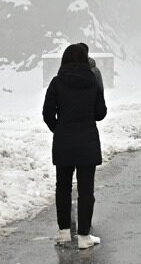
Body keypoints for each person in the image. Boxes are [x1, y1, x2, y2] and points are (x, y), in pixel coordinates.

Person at [43, 43, 108, 249]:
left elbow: (47, 113)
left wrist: (59, 129)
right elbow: (100, 113)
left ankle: (63, 233)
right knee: (86, 191)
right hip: (87, 143)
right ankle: (83, 237)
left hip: (63, 143)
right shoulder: (92, 82)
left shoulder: (57, 82)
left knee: (62, 187)